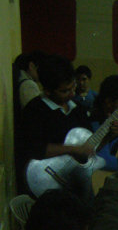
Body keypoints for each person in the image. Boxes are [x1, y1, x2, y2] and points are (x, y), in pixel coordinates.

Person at [15, 55, 94, 196]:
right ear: (48, 91)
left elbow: (89, 145)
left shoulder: (77, 110)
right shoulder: (34, 111)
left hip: (75, 183)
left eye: (73, 87)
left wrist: (110, 134)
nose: (72, 94)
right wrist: (72, 149)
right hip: (45, 185)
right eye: (64, 91)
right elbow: (35, 149)